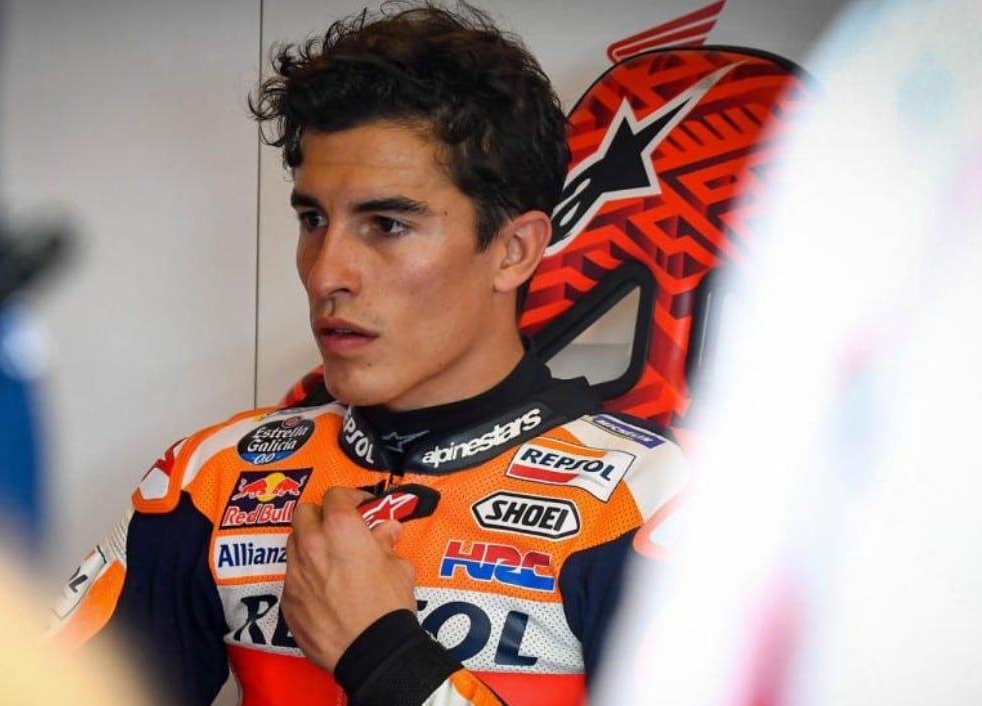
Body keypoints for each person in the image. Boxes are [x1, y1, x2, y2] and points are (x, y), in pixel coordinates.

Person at [47, 5, 686, 705]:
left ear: (513, 250)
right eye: (313, 219)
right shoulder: (213, 481)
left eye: (386, 224)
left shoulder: (648, 503)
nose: (326, 273)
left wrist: (383, 656)